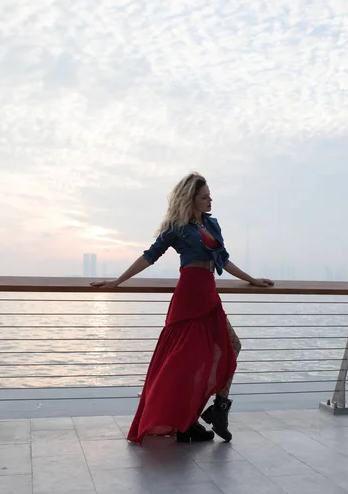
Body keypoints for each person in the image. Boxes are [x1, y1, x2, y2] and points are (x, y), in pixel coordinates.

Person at [91, 173, 274, 445]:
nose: (210, 199)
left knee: (231, 345)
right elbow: (149, 256)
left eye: (209, 195)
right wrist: (118, 281)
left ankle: (218, 410)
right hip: (189, 295)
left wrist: (253, 280)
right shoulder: (177, 228)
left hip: (208, 292)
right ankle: (188, 421)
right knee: (184, 362)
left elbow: (224, 259)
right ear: (191, 199)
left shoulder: (212, 225)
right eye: (204, 196)